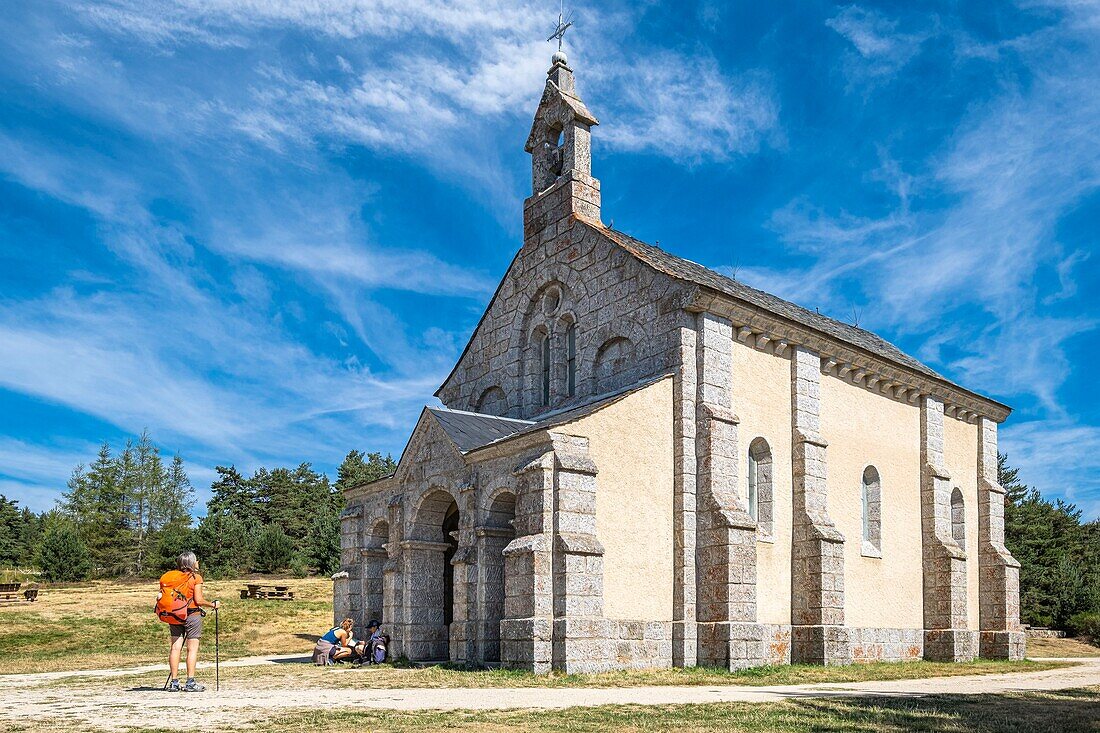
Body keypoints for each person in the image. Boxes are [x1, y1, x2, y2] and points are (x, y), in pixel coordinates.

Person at [160, 551, 219, 692]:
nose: (197, 562)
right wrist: (212, 604)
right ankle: (190, 682)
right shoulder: (196, 578)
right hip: (192, 615)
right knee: (192, 650)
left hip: (174, 615)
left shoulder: (172, 577)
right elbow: (198, 600)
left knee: (175, 648)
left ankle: (174, 683)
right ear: (191, 563)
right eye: (196, 560)